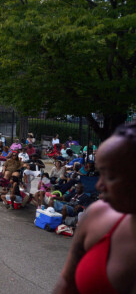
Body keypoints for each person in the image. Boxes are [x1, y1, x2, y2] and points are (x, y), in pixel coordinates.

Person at [53, 123, 136, 293]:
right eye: (100, 173)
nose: (99, 185)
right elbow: (66, 283)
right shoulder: (96, 215)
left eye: (110, 176)